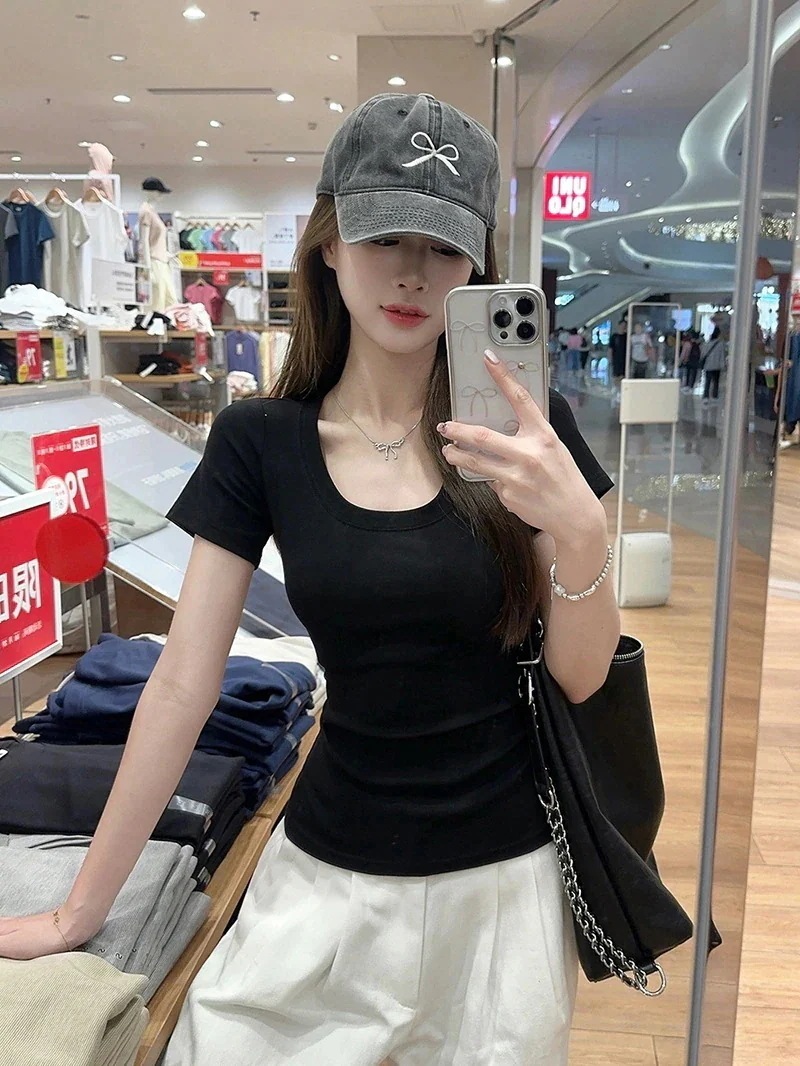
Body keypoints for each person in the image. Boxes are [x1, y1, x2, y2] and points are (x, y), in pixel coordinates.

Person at [0, 93, 620, 1066]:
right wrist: (82, 908)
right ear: (329, 242)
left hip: (499, 900)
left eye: (443, 247)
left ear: (475, 267)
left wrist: (580, 531)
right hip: (325, 883)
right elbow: (182, 682)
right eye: (384, 237)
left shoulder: (528, 437)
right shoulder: (263, 440)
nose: (412, 272)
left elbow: (580, 677)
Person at [702, 326, 727, 405]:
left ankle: (705, 397)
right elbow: (722, 356)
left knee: (707, 381)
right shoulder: (721, 344)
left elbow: (703, 354)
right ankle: (714, 396)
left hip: (708, 365)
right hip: (716, 366)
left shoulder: (708, 343)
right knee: (716, 381)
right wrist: (723, 365)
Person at [608, 318, 628, 401]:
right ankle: (616, 390)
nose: (623, 327)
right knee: (616, 375)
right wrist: (610, 359)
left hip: (624, 359)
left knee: (622, 375)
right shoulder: (614, 336)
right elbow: (610, 349)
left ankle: (621, 391)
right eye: (622, 325)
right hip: (616, 359)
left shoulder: (627, 336)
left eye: (624, 326)